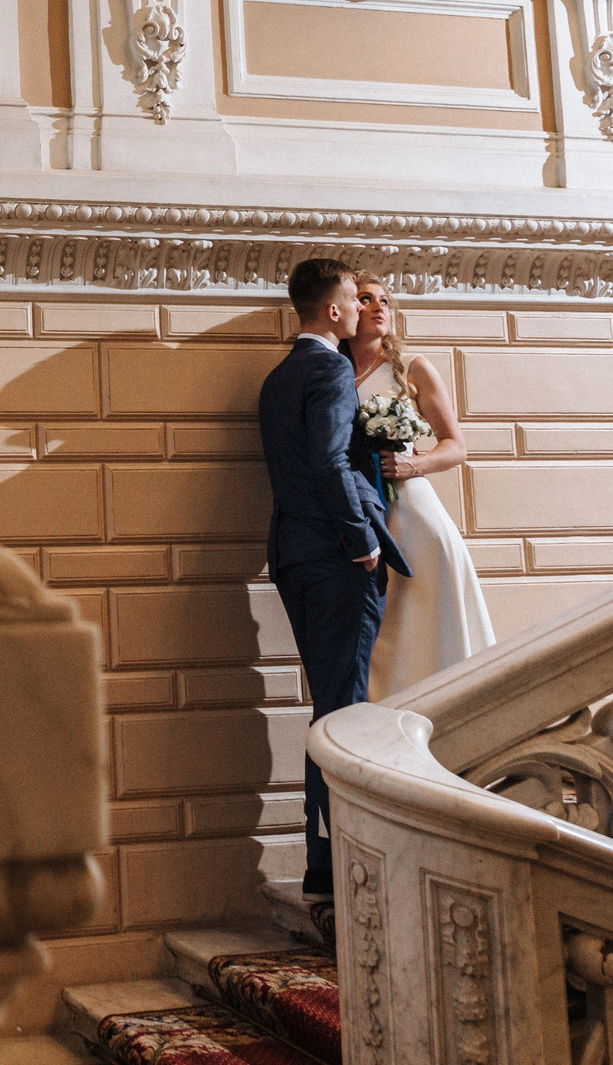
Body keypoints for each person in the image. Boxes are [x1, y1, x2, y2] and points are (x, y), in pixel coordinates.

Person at [257, 258, 411, 919]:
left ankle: (325, 864)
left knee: (331, 707)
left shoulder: (277, 377)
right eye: (351, 298)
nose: (355, 309)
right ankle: (339, 867)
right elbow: (326, 461)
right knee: (344, 712)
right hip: (334, 556)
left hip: (295, 554)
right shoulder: (327, 371)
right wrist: (362, 540)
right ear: (332, 311)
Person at [346, 278, 496, 697]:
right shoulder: (334, 372)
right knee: (385, 625)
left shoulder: (411, 367)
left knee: (431, 611)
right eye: (365, 299)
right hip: (364, 515)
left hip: (414, 513)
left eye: (385, 301)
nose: (378, 307)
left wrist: (413, 464)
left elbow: (456, 446)